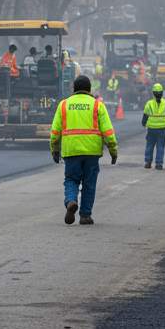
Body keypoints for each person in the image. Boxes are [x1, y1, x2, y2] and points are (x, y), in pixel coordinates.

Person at [50, 75, 117, 225]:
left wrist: (54, 150)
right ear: (89, 89)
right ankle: (85, 216)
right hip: (92, 152)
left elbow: (55, 132)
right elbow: (108, 132)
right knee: (89, 184)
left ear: (73, 89)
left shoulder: (64, 105)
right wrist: (113, 151)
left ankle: (71, 201)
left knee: (71, 179)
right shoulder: (97, 105)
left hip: (71, 151)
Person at [142, 83, 165, 170]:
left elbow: (145, 116)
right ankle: (159, 164)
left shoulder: (149, 104)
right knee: (160, 146)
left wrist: (143, 123)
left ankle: (148, 163)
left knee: (149, 146)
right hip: (162, 130)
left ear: (153, 93)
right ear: (162, 93)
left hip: (151, 129)